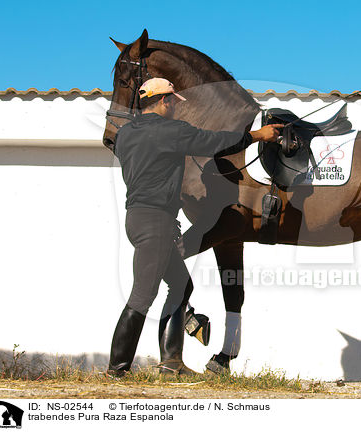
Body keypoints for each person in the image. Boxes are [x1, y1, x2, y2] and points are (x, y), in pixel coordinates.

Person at [107, 77, 283, 377]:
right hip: (156, 222)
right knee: (142, 295)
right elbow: (215, 142)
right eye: (174, 100)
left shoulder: (126, 135)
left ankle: (171, 363)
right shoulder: (171, 131)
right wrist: (257, 135)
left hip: (136, 218)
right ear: (164, 100)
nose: (176, 106)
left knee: (181, 284)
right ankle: (117, 370)